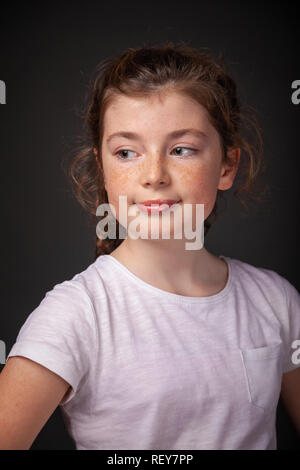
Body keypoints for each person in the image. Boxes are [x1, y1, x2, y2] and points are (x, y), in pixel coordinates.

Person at [1, 42, 300, 450]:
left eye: (181, 150)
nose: (153, 175)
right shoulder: (78, 314)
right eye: (126, 152)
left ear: (227, 166)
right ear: (103, 169)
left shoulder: (276, 301)